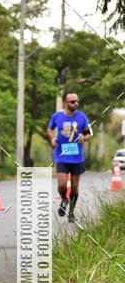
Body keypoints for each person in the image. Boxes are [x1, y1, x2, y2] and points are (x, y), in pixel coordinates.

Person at [47, 91, 92, 222]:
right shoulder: (57, 116)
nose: (76, 103)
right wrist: (52, 138)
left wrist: (84, 136)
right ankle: (64, 199)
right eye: (73, 101)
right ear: (66, 103)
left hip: (77, 157)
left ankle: (71, 211)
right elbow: (50, 129)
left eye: (77, 101)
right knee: (61, 185)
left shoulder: (82, 117)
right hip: (61, 156)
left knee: (74, 186)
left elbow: (89, 134)